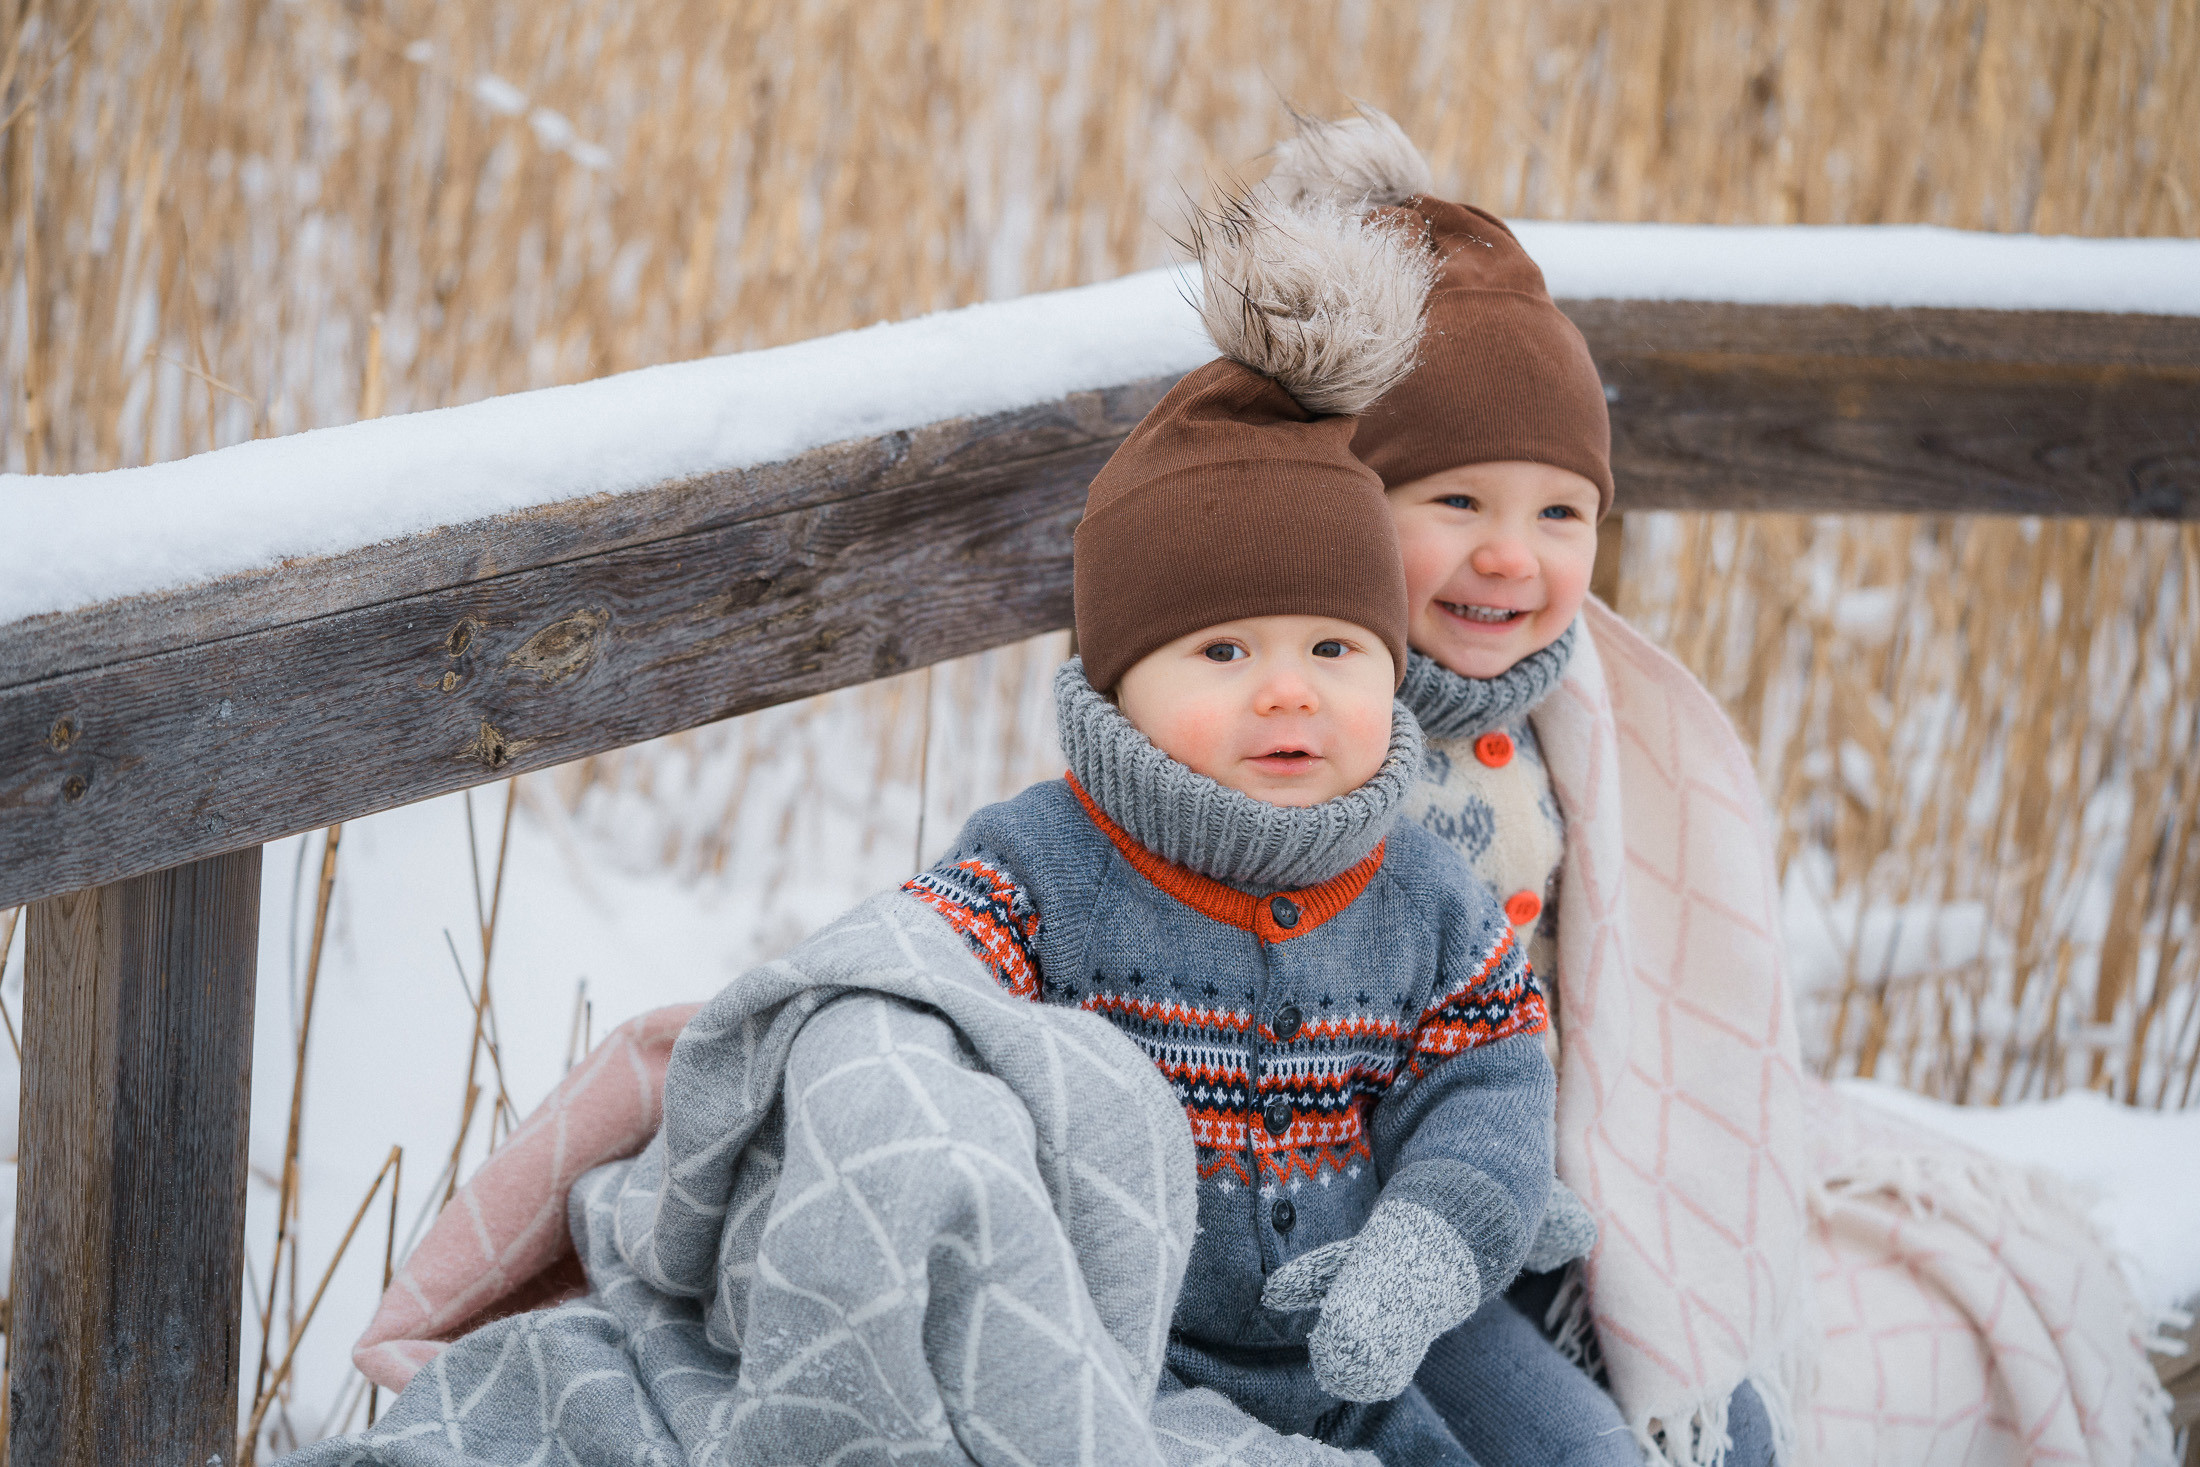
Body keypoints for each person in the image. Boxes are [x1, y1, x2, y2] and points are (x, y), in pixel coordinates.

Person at [903, 182, 1612, 1464]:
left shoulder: (1421, 893)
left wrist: (1432, 1237)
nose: (1290, 693)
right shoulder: (1043, 866)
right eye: (1225, 650)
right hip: (1117, 1344)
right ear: (1119, 683)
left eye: (1335, 649)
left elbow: (1489, 1079)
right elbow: (914, 999)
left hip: (1364, 1346)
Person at [1267, 108, 1781, 1466]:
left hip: (1553, 1193)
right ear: (1350, 505)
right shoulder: (1303, 725)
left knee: (1730, 1426)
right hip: (1382, 1222)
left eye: (1560, 511)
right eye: (1456, 502)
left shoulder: (1575, 714)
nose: (1513, 557)